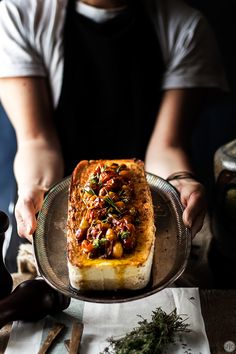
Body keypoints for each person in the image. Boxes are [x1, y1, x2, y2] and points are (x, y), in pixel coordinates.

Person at [0, 0, 228, 244]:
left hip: (146, 212)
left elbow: (167, 145)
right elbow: (37, 140)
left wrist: (179, 181)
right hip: (52, 211)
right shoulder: (19, 14)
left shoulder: (186, 27)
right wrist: (36, 189)